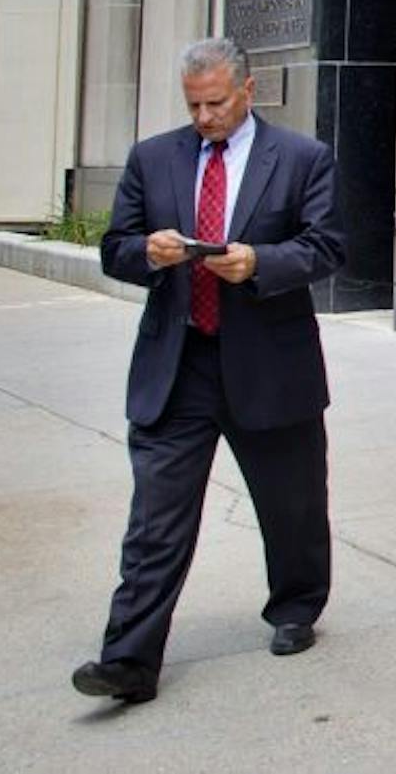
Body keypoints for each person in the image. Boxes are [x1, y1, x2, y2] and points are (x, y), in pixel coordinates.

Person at [72, 37, 345, 705]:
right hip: (180, 360)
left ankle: (295, 606)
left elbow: (327, 245)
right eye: (193, 104)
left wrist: (260, 263)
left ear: (248, 91)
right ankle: (129, 658)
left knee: (293, 505)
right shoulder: (153, 157)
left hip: (269, 362)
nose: (203, 117)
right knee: (156, 517)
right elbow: (116, 249)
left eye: (216, 102)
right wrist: (149, 251)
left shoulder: (303, 159)